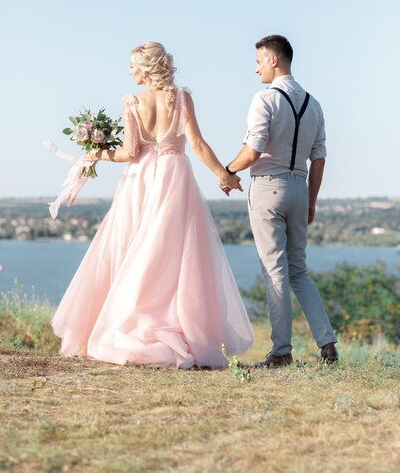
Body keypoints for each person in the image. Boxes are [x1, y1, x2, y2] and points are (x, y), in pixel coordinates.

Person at [52, 42, 254, 368]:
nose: (130, 72)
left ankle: (127, 320)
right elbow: (198, 144)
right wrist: (224, 174)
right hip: (174, 175)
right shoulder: (182, 96)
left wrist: (96, 152)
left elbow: (130, 153)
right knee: (172, 255)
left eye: (133, 66)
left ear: (145, 69)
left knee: (131, 248)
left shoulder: (133, 102)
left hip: (139, 180)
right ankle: (170, 323)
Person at [222, 35, 338, 366]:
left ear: (274, 60)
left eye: (259, 60)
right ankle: (327, 344)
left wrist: (227, 170)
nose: (256, 67)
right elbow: (320, 159)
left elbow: (253, 149)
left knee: (275, 271)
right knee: (299, 270)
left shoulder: (265, 99)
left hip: (268, 189)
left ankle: (282, 351)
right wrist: (311, 200)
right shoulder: (314, 104)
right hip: (299, 189)